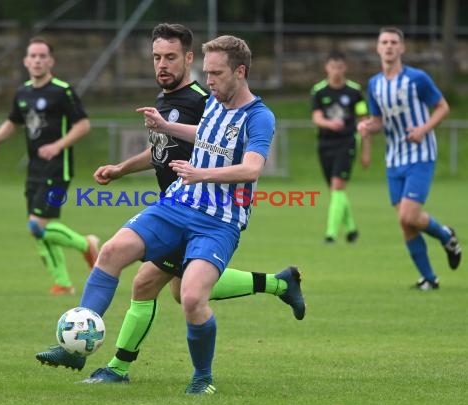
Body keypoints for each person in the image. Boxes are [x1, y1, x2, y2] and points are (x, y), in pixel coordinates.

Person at [36, 24, 305, 384]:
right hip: (177, 205)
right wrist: (166, 126)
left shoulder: (259, 116)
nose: (208, 80)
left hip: (217, 220)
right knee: (113, 252)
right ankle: (81, 346)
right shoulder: (213, 104)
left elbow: (253, 169)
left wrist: (200, 174)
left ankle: (201, 379)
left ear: (240, 72)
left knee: (191, 297)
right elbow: (203, 134)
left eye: (215, 73)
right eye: (206, 73)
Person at [0, 37, 99, 295]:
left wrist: (58, 146)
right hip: (34, 169)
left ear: (50, 61)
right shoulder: (23, 92)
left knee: (37, 225)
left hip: (59, 167)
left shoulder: (62, 91)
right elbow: (13, 121)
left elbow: (83, 125)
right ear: (26, 61)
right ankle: (63, 283)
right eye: (32, 56)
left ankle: (86, 245)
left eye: (42, 56)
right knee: (38, 230)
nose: (37, 60)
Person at [357, 27, 461, 290]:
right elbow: (378, 122)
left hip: (421, 155)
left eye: (394, 42)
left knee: (409, 214)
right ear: (378, 48)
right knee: (405, 221)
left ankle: (446, 236)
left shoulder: (417, 78)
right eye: (384, 42)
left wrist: (423, 129)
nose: (389, 46)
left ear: (402, 48)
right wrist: (368, 127)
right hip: (394, 159)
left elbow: (443, 107)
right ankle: (429, 277)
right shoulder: (374, 84)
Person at [311, 50, 368, 244]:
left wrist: (366, 150)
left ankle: (331, 234)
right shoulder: (319, 91)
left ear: (345, 68)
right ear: (327, 67)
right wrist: (329, 124)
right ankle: (352, 229)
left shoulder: (354, 92)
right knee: (337, 191)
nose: (336, 71)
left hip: (347, 142)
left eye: (340, 67)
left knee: (337, 186)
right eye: (332, 66)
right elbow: (317, 116)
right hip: (325, 144)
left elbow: (363, 120)